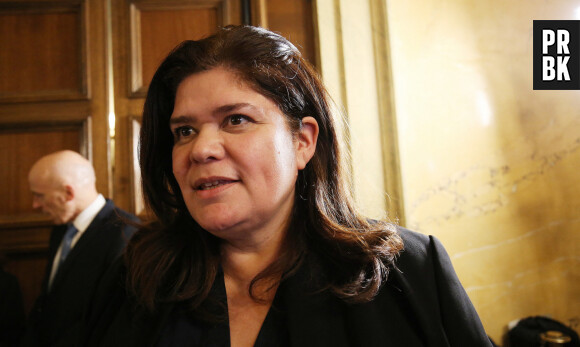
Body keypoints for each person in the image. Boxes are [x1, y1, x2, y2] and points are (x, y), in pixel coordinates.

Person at [85, 25, 492, 346]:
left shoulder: (409, 272)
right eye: (185, 130)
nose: (201, 149)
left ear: (302, 142)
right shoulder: (135, 279)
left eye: (236, 119)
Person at [22, 150, 138, 346]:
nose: (35, 205)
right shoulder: (61, 228)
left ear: (68, 193)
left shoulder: (125, 234)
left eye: (39, 196)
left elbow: (113, 321)